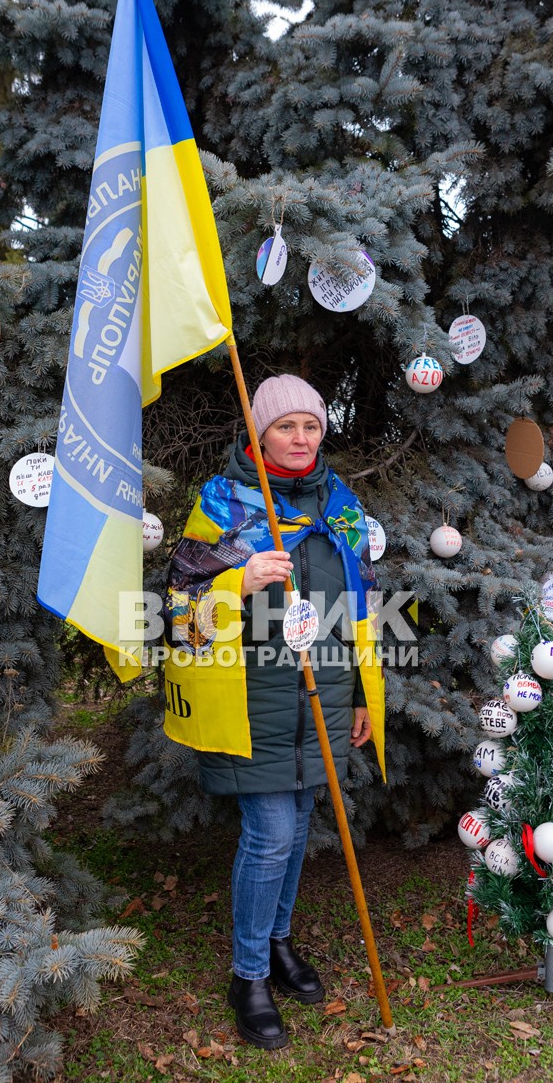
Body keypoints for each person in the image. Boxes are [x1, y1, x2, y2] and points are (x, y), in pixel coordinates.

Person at [162, 374, 385, 1050]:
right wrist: (238, 579)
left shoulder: (340, 505)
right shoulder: (224, 502)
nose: (299, 438)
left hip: (323, 696)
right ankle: (250, 975)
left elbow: (361, 606)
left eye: (311, 426)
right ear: (259, 434)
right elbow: (178, 602)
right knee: (270, 836)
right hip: (250, 697)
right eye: (285, 426)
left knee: (299, 825)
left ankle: (280, 944)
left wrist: (363, 697)